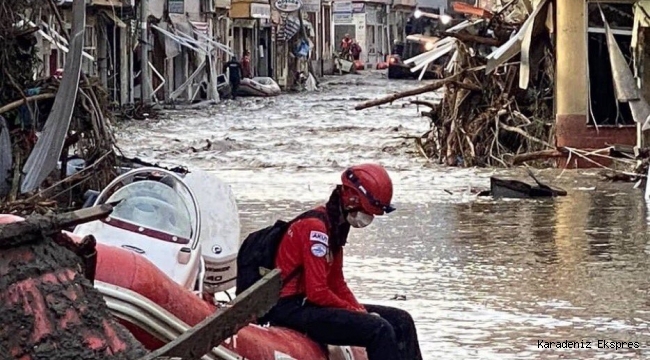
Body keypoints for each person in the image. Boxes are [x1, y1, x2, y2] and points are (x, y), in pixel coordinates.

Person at [263, 163, 423, 360]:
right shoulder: (316, 229)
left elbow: (337, 283)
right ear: (350, 196)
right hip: (291, 308)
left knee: (401, 320)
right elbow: (317, 292)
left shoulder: (334, 227)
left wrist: (359, 310)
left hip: (309, 304)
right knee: (379, 330)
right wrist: (359, 314)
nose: (368, 217)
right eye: (367, 210)